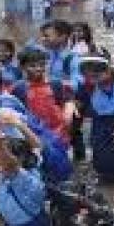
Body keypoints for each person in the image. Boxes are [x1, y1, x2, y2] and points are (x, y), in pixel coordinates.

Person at [40, 20, 86, 160]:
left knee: (72, 134)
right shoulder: (46, 56)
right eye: (43, 36)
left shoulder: (72, 58)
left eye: (47, 36)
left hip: (70, 103)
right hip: (51, 102)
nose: (43, 39)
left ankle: (79, 165)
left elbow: (79, 82)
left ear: (63, 37)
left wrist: (54, 84)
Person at [11, 49, 75, 146]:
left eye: (42, 65)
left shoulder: (55, 84)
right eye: (32, 66)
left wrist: (68, 111)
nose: (38, 68)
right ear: (22, 67)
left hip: (57, 133)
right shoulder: (19, 88)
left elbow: (67, 101)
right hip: (32, 135)